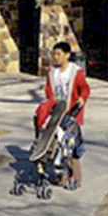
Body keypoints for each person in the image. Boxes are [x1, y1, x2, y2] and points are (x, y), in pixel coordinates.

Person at [39, 41, 90, 189]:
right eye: (53, 54)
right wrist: (51, 103)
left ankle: (75, 177)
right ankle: (61, 176)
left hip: (72, 113)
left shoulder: (75, 72)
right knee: (59, 145)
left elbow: (85, 88)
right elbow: (49, 91)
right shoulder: (51, 72)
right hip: (57, 114)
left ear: (67, 55)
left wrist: (81, 99)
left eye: (58, 54)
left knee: (72, 146)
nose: (55, 57)